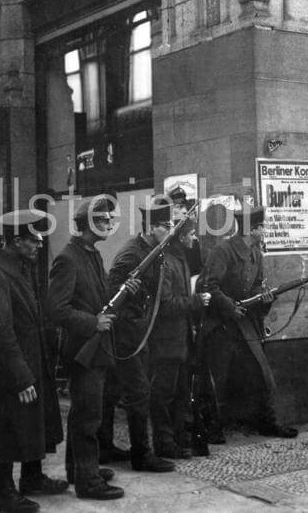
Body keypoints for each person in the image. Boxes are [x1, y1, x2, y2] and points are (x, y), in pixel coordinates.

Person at [0, 209, 67, 513]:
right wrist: (22, 376)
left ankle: (32, 478)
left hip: (27, 360)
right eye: (32, 241)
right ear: (13, 241)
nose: (38, 246)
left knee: (29, 423)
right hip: (6, 369)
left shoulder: (18, 266)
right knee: (4, 430)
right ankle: (3, 493)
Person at [47, 196, 136, 500]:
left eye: (111, 219)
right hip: (82, 347)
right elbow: (56, 310)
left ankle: (78, 469)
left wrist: (125, 290)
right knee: (88, 417)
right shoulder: (68, 258)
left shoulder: (91, 254)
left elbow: (100, 298)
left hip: (96, 348)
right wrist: (92, 323)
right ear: (87, 224)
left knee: (83, 412)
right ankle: (88, 481)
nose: (109, 224)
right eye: (103, 220)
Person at [201, 205, 298, 440]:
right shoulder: (222, 251)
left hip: (245, 325)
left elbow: (255, 287)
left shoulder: (256, 254)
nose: (265, 231)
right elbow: (209, 286)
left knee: (261, 374)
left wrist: (264, 298)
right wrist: (230, 307)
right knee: (217, 379)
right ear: (251, 230)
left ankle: (267, 422)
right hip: (220, 326)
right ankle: (209, 429)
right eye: (262, 227)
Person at [106, 198, 176, 473]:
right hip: (128, 334)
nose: (168, 231)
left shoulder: (153, 251)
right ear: (150, 227)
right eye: (164, 226)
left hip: (140, 331)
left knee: (116, 391)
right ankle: (141, 454)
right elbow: (111, 293)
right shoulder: (133, 254)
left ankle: (104, 446)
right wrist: (129, 301)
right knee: (138, 393)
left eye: (170, 225)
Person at [149, 216, 210, 458]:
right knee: (164, 393)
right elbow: (164, 304)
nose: (195, 238)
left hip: (181, 339)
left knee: (181, 392)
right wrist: (195, 302)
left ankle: (176, 440)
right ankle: (164, 443)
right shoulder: (168, 262)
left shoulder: (180, 259)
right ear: (181, 237)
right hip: (167, 340)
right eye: (192, 234)